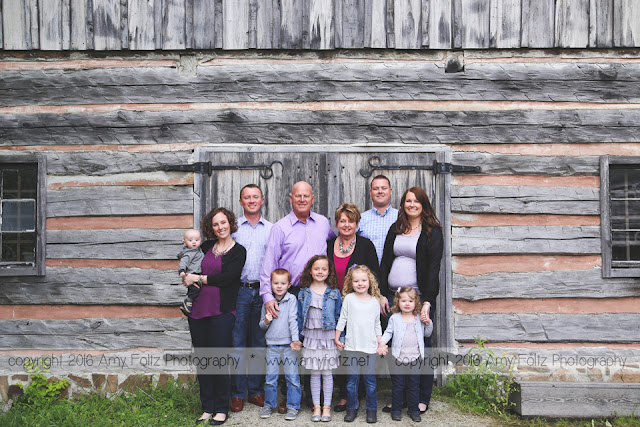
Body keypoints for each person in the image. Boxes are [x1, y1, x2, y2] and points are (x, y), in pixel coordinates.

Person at [259, 181, 334, 412]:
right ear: (291, 198)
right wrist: (267, 296)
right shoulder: (280, 228)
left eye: (306, 196)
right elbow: (268, 264)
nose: (302, 200)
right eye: (298, 196)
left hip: (317, 291)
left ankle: (315, 397)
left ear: (313, 198)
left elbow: (336, 241)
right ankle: (287, 396)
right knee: (289, 343)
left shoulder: (323, 223)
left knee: (313, 341)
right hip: (290, 292)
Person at [379, 186, 443, 414]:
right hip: (392, 297)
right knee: (396, 345)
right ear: (403, 204)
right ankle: (400, 398)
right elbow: (385, 262)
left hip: (418, 299)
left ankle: (421, 397)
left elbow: (434, 268)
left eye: (416, 201)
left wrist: (427, 301)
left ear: (423, 204)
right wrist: (380, 294)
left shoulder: (432, 231)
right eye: (408, 201)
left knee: (421, 347)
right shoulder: (396, 229)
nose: (412, 205)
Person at [182, 207, 246, 426]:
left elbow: (229, 278)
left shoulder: (239, 251)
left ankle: (221, 408)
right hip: (198, 310)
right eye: (216, 224)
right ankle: (207, 407)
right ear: (212, 227)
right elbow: (188, 261)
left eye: (223, 222)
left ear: (230, 223)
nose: (220, 227)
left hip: (222, 311)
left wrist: (198, 277)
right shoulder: (206, 246)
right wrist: (186, 276)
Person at [326, 202, 379, 411]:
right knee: (339, 347)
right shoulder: (329, 243)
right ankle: (344, 394)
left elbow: (374, 275)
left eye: (351, 221)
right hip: (333, 303)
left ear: (357, 223)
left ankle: (358, 394)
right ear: (337, 223)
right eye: (342, 221)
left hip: (358, 305)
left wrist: (378, 298)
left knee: (358, 347)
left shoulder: (365, 245)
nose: (346, 225)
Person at [230, 184, 273, 412]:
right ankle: (236, 394)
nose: (251, 200)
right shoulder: (234, 229)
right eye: (247, 197)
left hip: (264, 292)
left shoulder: (272, 229)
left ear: (262, 200)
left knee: (259, 343)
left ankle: (255, 391)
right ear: (241, 202)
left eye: (255, 197)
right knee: (237, 343)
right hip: (240, 291)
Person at [334, 265, 387, 423]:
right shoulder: (349, 299)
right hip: (352, 347)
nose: (360, 283)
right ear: (351, 283)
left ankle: (371, 410)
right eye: (356, 281)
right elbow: (342, 319)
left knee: (370, 381)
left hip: (370, 348)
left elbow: (377, 325)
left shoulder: (374, 302)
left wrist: (381, 343)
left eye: (363, 280)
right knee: (352, 381)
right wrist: (337, 338)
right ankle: (352, 408)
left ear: (370, 282)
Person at [297, 255, 342, 422]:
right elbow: (299, 318)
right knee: (314, 373)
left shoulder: (334, 293)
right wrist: (297, 337)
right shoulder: (303, 293)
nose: (320, 272)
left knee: (327, 373)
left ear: (329, 272)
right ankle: (316, 406)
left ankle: (327, 407)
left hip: (328, 336)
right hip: (311, 336)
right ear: (310, 270)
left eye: (324, 269)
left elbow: (339, 316)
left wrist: (340, 337)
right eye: (316, 268)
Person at [380, 287, 433, 422]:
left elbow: (427, 333)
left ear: (416, 302)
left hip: (415, 358)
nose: (407, 304)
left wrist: (428, 323)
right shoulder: (395, 318)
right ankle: (396, 410)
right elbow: (388, 333)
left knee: (413, 385)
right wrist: (382, 343)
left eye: (410, 300)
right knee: (398, 385)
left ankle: (413, 410)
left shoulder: (418, 318)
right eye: (403, 301)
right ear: (398, 302)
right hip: (398, 357)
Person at [259, 268, 302, 421]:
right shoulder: (267, 302)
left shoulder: (291, 300)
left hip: (288, 345)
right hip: (272, 346)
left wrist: (295, 339)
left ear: (289, 284)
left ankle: (293, 406)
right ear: (270, 284)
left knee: (292, 377)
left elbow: (293, 320)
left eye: (283, 283)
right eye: (275, 283)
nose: (279, 286)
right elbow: (261, 326)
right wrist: (266, 321)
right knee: (271, 378)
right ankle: (268, 405)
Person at [357, 175, 399, 264]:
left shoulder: (401, 217)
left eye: (384, 188)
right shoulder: (360, 219)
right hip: (367, 273)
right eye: (376, 189)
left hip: (394, 272)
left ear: (390, 191)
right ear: (371, 192)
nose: (380, 191)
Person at [177, 228, 205, 316]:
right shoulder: (189, 253)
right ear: (185, 242)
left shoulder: (198, 250)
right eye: (190, 240)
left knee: (196, 289)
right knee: (195, 289)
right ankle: (188, 301)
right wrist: (182, 271)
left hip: (198, 274)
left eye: (196, 240)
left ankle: (188, 303)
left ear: (201, 240)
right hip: (192, 274)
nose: (194, 242)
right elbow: (183, 262)